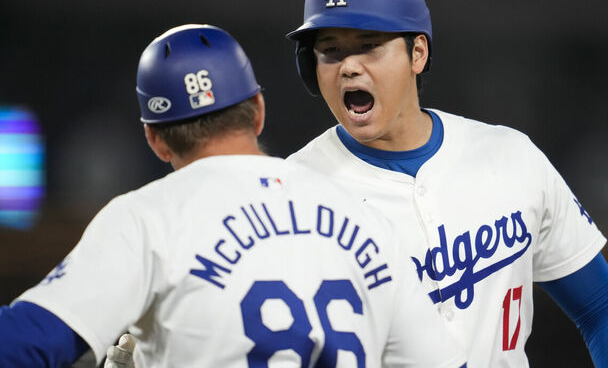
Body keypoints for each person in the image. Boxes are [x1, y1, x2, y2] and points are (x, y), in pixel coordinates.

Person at [0, 24, 467, 367]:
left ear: (155, 139)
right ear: (258, 111)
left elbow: (28, 342)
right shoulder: (363, 219)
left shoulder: (146, 219)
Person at [285, 0, 608, 367]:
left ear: (417, 53)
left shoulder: (510, 157)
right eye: (330, 51)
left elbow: (605, 310)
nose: (348, 66)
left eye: (368, 45)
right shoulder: (296, 194)